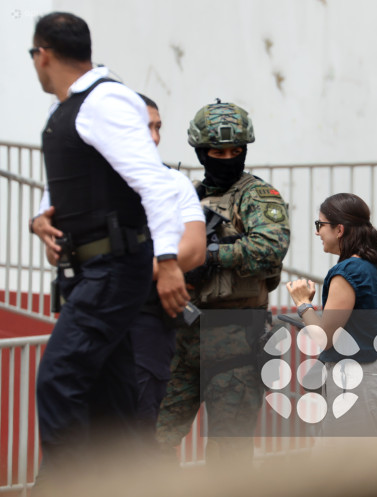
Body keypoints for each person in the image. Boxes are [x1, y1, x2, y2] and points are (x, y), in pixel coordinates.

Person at [27, 12, 187, 474]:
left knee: (58, 379)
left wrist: (169, 260)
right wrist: (41, 218)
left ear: (44, 54)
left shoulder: (106, 101)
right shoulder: (73, 107)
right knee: (112, 396)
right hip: (95, 270)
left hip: (113, 268)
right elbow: (75, 179)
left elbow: (153, 183)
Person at [155, 100, 290, 464]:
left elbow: (270, 247)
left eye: (236, 151)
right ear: (201, 152)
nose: (227, 157)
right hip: (184, 335)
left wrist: (209, 254)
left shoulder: (257, 196)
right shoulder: (190, 196)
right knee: (150, 441)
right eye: (217, 151)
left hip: (235, 341)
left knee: (228, 454)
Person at [287, 193, 377, 437]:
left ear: (339, 229)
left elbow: (325, 338)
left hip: (356, 383)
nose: (317, 232)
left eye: (320, 225)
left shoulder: (348, 270)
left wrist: (303, 303)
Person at [127, 94, 206, 438]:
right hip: (96, 315)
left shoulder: (174, 183)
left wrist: (126, 275)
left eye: (158, 127)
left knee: (143, 426)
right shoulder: (93, 180)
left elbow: (193, 248)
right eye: (147, 127)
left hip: (149, 316)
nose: (155, 137)